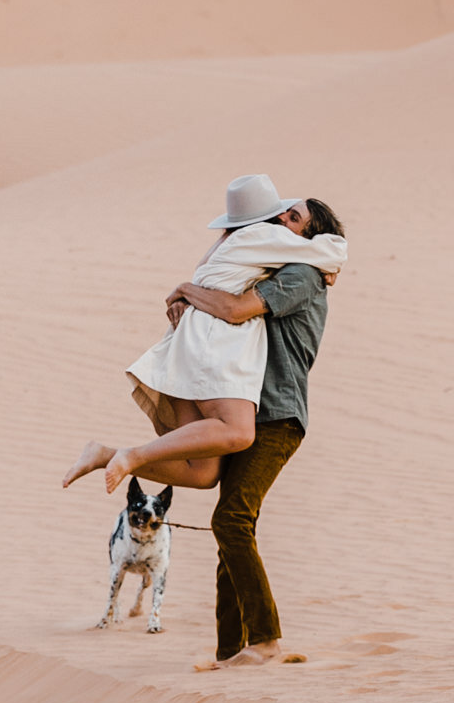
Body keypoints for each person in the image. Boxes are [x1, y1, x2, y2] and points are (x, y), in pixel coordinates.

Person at [63, 172, 345, 671]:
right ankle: (230, 650)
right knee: (231, 519)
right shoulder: (270, 263)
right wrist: (189, 298)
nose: (281, 219)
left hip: (277, 416)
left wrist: (189, 290)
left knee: (231, 521)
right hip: (248, 409)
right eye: (281, 212)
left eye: (293, 216)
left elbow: (236, 310)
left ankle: (265, 642)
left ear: (310, 234)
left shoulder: (300, 275)